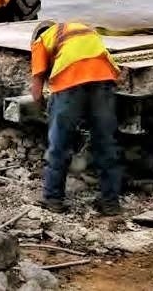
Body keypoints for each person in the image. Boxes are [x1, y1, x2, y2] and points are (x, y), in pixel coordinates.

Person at [30, 19, 124, 216]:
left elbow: (37, 90)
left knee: (59, 145)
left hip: (69, 85)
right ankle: (110, 203)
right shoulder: (82, 29)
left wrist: (42, 111)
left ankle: (53, 199)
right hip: (103, 81)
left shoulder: (41, 41)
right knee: (105, 144)